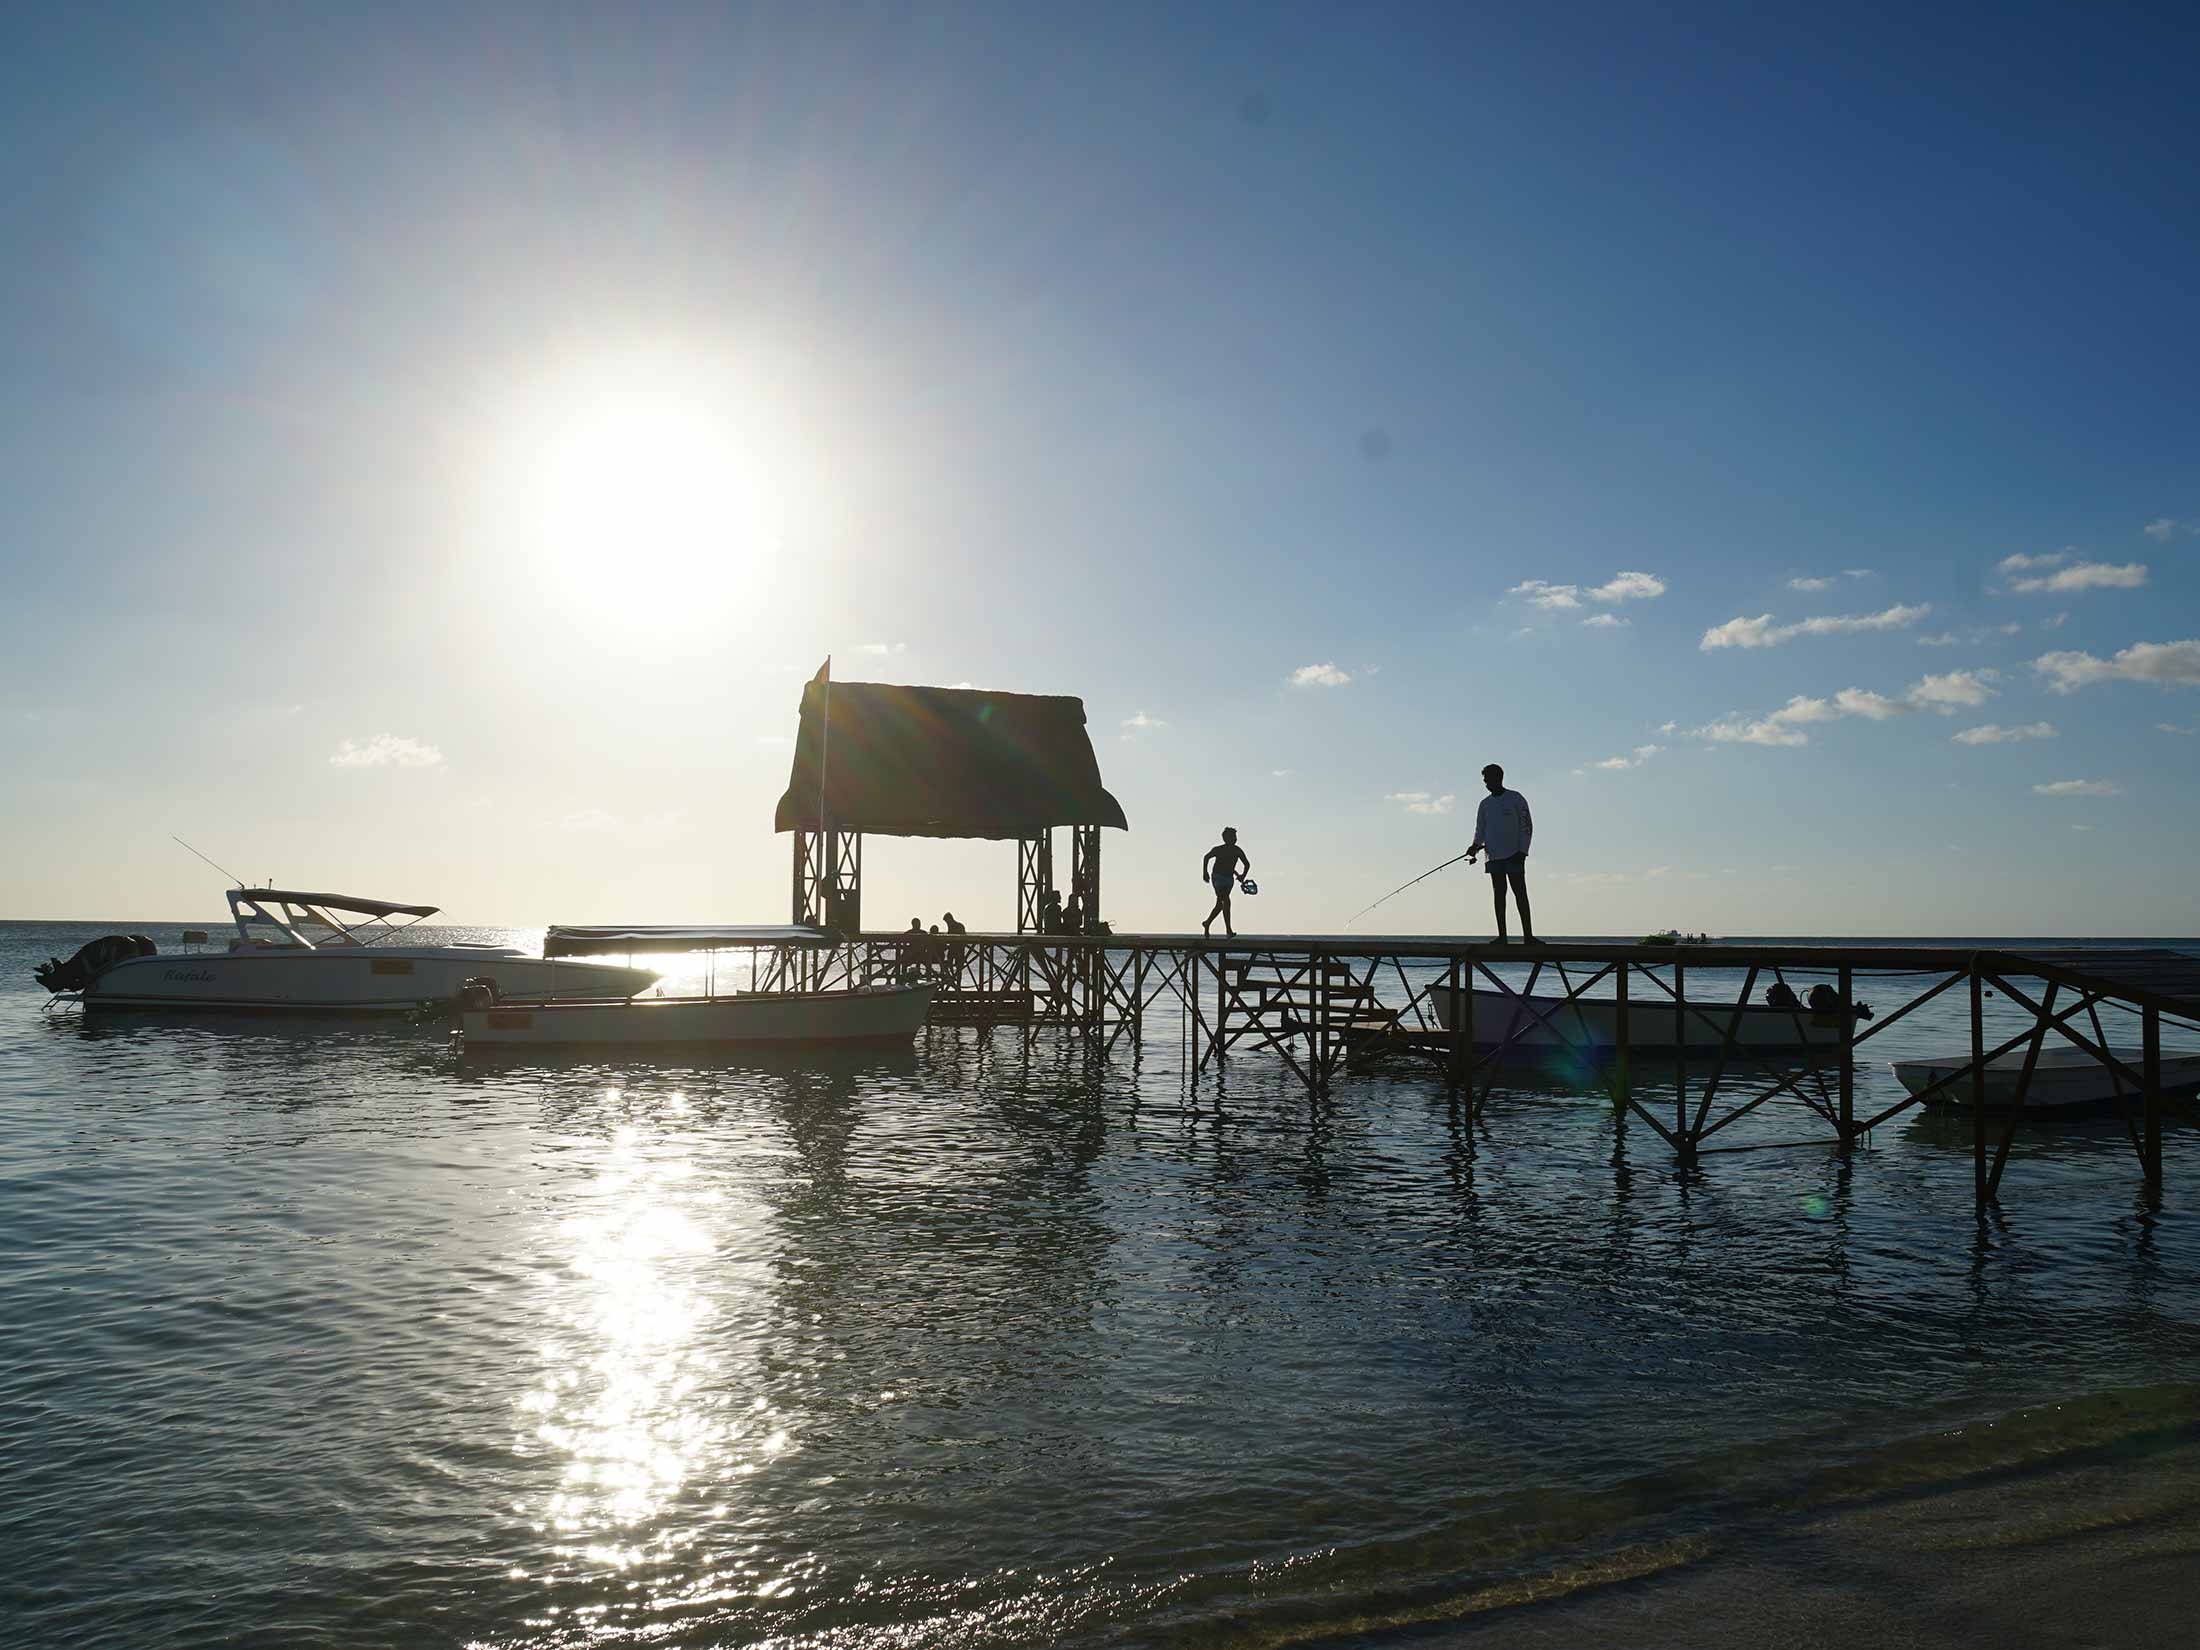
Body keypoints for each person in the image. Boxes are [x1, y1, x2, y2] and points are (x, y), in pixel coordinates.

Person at [1465, 765, 1534, 942]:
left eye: (1489, 779)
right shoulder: (1485, 804)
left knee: (1520, 893)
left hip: (1515, 854)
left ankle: (1528, 936)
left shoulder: (1516, 799)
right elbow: (1480, 829)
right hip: (1493, 856)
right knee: (1499, 894)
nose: (1486, 783)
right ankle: (1502, 936)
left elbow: (1527, 826)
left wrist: (1523, 850)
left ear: (1499, 777)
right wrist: (1474, 846)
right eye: (1485, 780)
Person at [1201, 827, 1252, 937]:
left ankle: (1207, 923)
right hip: (1217, 877)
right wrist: (1205, 872)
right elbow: (1206, 857)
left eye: (1235, 837)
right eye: (1232, 836)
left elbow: (1247, 864)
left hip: (1229, 878)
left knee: (1220, 904)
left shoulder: (1237, 850)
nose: (1234, 839)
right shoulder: (1218, 849)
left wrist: (1243, 875)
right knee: (1226, 900)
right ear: (1225, 838)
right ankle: (1228, 930)